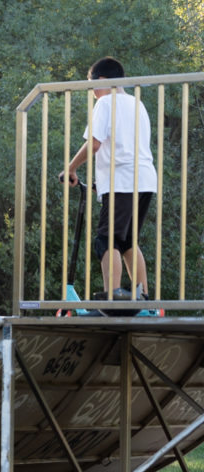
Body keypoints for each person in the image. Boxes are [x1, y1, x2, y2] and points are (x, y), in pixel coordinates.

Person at [59, 56, 157, 301]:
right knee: (127, 242)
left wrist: (70, 168)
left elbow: (93, 144)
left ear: (103, 80)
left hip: (122, 180)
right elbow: (125, 147)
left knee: (105, 241)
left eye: (91, 85)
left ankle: (113, 299)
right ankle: (144, 301)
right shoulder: (137, 104)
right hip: (144, 180)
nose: (92, 91)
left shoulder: (105, 102)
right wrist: (99, 184)